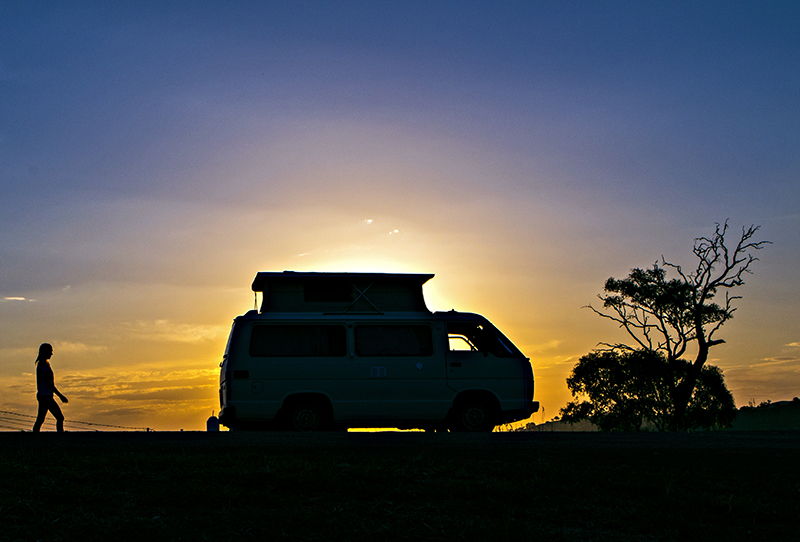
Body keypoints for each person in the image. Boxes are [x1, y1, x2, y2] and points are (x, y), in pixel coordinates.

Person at [32, 343, 68, 432]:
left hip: (43, 395)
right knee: (59, 417)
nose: (52, 353)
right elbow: (49, 384)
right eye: (50, 351)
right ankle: (60, 436)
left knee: (40, 419)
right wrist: (60, 396)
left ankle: (34, 436)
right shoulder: (43, 366)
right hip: (46, 396)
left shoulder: (43, 365)